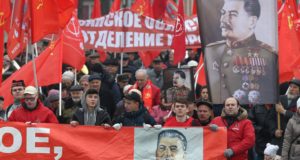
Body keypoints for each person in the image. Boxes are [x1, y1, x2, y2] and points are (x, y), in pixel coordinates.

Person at [205, 0, 277, 104]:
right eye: (223, 13)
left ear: (252, 21)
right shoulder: (211, 51)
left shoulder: (268, 55)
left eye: (232, 14)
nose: (223, 19)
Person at [269, 78, 300, 154]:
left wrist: (284, 111)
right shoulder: (280, 99)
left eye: (295, 87)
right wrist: (274, 131)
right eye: (290, 86)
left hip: (294, 140)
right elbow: (270, 118)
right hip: (279, 138)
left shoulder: (299, 101)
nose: (291, 89)